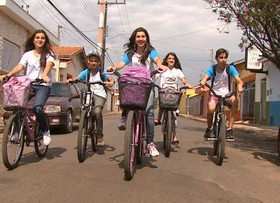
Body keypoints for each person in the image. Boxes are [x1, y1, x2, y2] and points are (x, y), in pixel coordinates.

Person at [107, 27, 167, 157]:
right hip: (132, 84)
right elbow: (121, 64)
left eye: (143, 36)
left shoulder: (151, 51)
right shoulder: (130, 53)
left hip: (146, 85)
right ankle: (125, 118)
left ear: (146, 38)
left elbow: (157, 60)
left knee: (149, 112)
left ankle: (150, 143)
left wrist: (160, 65)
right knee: (127, 101)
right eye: (138, 36)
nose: (141, 39)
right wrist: (113, 68)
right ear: (135, 38)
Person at [0, 29, 55, 146]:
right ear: (33, 40)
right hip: (28, 84)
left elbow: (49, 65)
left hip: (43, 85)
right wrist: (8, 75)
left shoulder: (48, 54)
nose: (40, 40)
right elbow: (20, 66)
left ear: (45, 41)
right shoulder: (27, 54)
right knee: (18, 107)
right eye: (37, 38)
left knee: (37, 108)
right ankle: (15, 132)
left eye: (42, 38)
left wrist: (44, 75)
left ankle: (45, 131)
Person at [67, 51, 116, 147]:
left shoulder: (102, 73)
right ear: (88, 62)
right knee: (84, 96)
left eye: (95, 61)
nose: (93, 63)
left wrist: (111, 81)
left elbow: (110, 78)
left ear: (99, 63)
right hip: (89, 93)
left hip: (100, 95)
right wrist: (72, 80)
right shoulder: (86, 72)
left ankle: (99, 135)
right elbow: (78, 77)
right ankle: (82, 115)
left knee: (97, 112)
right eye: (91, 61)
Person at [199, 48, 244, 141]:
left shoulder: (230, 68)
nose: (223, 60)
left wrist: (240, 86)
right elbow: (205, 77)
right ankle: (209, 128)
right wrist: (203, 82)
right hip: (215, 94)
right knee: (211, 109)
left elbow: (239, 80)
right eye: (221, 57)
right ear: (216, 58)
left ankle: (230, 129)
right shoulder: (213, 68)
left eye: (225, 57)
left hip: (226, 94)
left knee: (235, 102)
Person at [154, 52, 193, 145]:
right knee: (162, 105)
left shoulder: (178, 71)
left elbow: (183, 79)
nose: (171, 60)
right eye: (170, 58)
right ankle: (158, 119)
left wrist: (187, 84)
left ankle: (174, 136)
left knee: (174, 115)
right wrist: (152, 80)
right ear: (166, 60)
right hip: (164, 92)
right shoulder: (162, 69)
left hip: (174, 94)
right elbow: (156, 76)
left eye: (173, 59)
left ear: (175, 61)